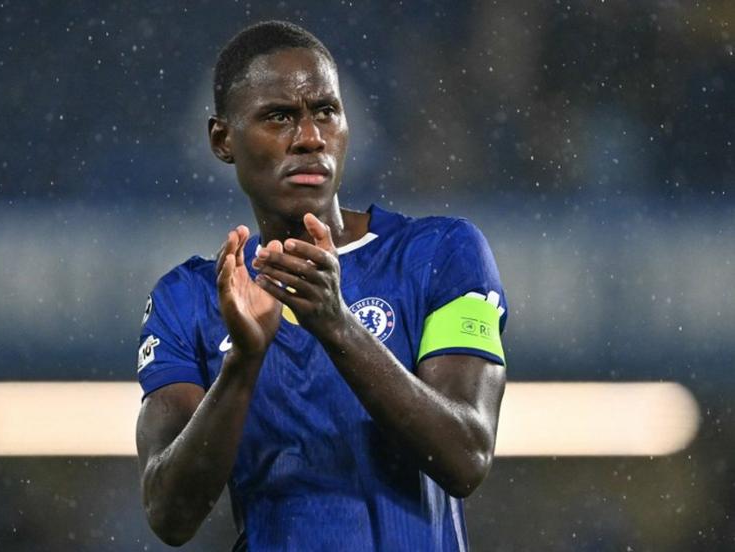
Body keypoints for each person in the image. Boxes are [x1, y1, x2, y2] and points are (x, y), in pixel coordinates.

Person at [135, 20, 507, 551]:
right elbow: (169, 513)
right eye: (279, 117)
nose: (310, 138)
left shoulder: (441, 254)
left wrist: (336, 323)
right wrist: (243, 362)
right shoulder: (188, 299)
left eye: (325, 112)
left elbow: (466, 457)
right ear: (223, 139)